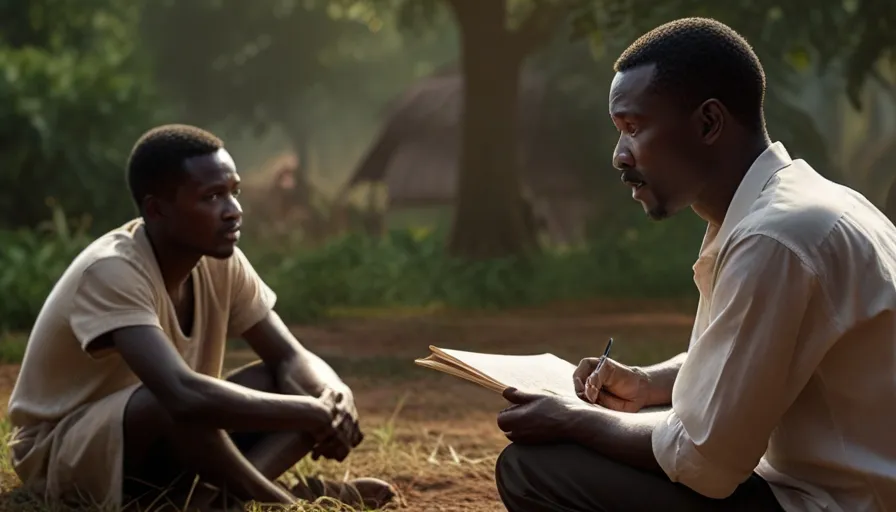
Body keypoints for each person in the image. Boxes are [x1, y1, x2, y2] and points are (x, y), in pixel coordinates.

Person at [494, 17, 896, 512]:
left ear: (708, 123)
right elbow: (751, 354)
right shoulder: (809, 206)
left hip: (832, 503)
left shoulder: (774, 238)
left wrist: (573, 419)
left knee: (534, 470)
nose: (620, 156)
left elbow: (708, 463)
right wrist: (647, 382)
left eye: (634, 128)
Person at [5, 124, 396, 510]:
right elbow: (180, 393)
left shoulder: (219, 260)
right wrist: (314, 413)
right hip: (61, 453)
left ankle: (219, 503)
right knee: (177, 401)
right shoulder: (112, 270)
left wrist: (335, 396)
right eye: (211, 197)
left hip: (171, 438)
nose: (233, 211)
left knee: (288, 381)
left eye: (233, 192)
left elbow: (291, 357)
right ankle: (280, 502)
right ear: (156, 209)